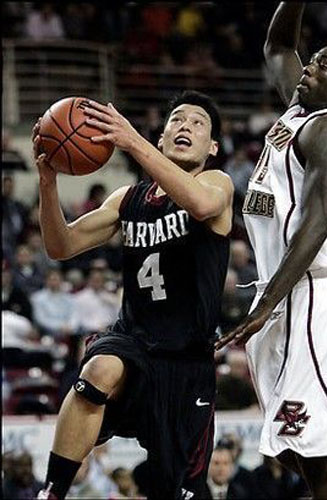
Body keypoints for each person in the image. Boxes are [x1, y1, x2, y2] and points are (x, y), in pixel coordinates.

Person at [34, 89, 233, 500]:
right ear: (162, 137)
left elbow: (200, 205)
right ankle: (51, 491)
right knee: (98, 370)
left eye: (198, 123)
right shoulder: (128, 199)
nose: (186, 126)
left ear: (212, 147)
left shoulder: (216, 183)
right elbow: (61, 246)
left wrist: (132, 141)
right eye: (177, 119)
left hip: (186, 359)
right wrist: (48, 182)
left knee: (180, 490)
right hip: (134, 341)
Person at [215, 2, 327, 499]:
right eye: (313, 60)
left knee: (312, 451)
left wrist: (266, 304)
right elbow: (279, 45)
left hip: (312, 293)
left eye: (324, 64)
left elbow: (315, 222)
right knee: (295, 449)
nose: (310, 67)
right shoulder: (298, 114)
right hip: (287, 291)